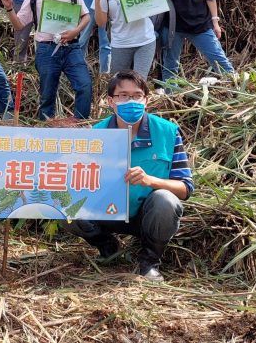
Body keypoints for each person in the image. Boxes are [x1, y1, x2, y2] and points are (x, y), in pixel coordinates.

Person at [66, 70, 193, 282]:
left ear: (146, 100)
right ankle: (108, 246)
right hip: (106, 212)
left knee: (165, 200)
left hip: (147, 215)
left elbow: (185, 188)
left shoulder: (167, 132)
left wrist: (150, 181)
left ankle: (149, 261)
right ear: (110, 101)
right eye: (123, 96)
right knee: (65, 202)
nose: (131, 101)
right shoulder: (96, 135)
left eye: (137, 96)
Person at [0, 0, 92, 120]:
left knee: (84, 85)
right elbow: (19, 25)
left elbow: (86, 16)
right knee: (47, 95)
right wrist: (9, 8)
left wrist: (75, 31)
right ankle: (46, 126)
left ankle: (80, 124)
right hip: (46, 49)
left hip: (71, 47)